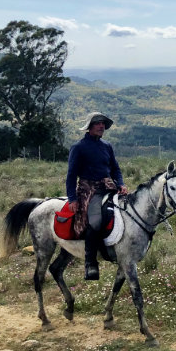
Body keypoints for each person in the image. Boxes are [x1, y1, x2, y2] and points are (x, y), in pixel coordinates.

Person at [66, 112, 128, 280]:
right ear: (89, 126)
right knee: (95, 220)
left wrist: (121, 184)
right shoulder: (78, 147)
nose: (101, 126)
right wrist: (72, 199)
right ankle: (90, 263)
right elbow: (71, 175)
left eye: (103, 123)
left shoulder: (107, 146)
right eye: (97, 123)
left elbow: (115, 168)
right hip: (89, 190)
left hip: (108, 187)